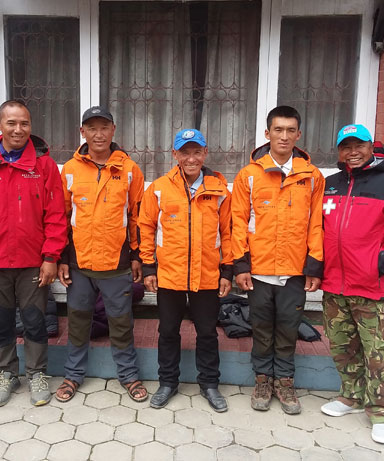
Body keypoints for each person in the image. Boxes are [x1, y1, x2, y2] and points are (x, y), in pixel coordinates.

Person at [0, 99, 66, 407]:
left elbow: (56, 215)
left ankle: (37, 373)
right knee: (0, 320)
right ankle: (6, 373)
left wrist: (50, 257)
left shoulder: (44, 167)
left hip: (33, 262)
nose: (18, 130)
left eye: (24, 124)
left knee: (34, 320)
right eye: (11, 123)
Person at [319, 124, 384, 445]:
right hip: (334, 286)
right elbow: (317, 229)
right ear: (339, 151)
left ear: (370, 147)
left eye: (358, 145)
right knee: (342, 348)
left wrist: (380, 264)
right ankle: (350, 396)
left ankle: (381, 412)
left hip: (372, 288)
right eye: (346, 147)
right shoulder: (331, 185)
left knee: (377, 353)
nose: (353, 153)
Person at [231, 105, 324, 415]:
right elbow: (238, 222)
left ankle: (284, 381)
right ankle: (262, 380)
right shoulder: (249, 175)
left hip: (294, 271)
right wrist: (241, 265)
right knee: (261, 328)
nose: (284, 136)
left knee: (288, 328)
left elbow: (316, 224)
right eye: (278, 130)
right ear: (267, 133)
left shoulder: (312, 176)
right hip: (258, 271)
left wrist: (314, 265)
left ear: (299, 135)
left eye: (290, 130)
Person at [55, 106, 148, 403]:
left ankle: (129, 375)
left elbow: (137, 217)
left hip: (117, 264)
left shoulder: (129, 169)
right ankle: (73, 375)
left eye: (104, 127)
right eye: (92, 128)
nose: (98, 134)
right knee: (78, 322)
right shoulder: (70, 170)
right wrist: (61, 258)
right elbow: (61, 217)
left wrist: (137, 256)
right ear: (82, 132)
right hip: (79, 264)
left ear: (113, 130)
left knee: (121, 323)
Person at [138, 128, 233, 412]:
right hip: (170, 275)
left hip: (207, 275)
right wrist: (148, 266)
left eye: (196, 152)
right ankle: (167, 382)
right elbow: (146, 228)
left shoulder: (219, 189)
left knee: (207, 332)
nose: (191, 158)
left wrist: (227, 270)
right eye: (185, 153)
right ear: (175, 155)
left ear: (205, 153)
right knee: (168, 331)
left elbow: (228, 232)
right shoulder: (159, 188)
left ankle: (210, 384)